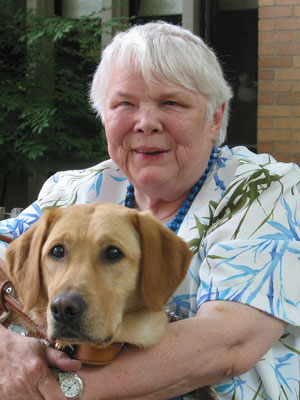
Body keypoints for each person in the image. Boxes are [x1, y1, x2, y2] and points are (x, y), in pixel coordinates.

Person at [0, 20, 300, 400]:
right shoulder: (72, 191)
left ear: (216, 117)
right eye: (124, 103)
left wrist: (49, 393)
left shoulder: (265, 189)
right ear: (104, 116)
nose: (145, 123)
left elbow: (227, 343)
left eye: (171, 103)